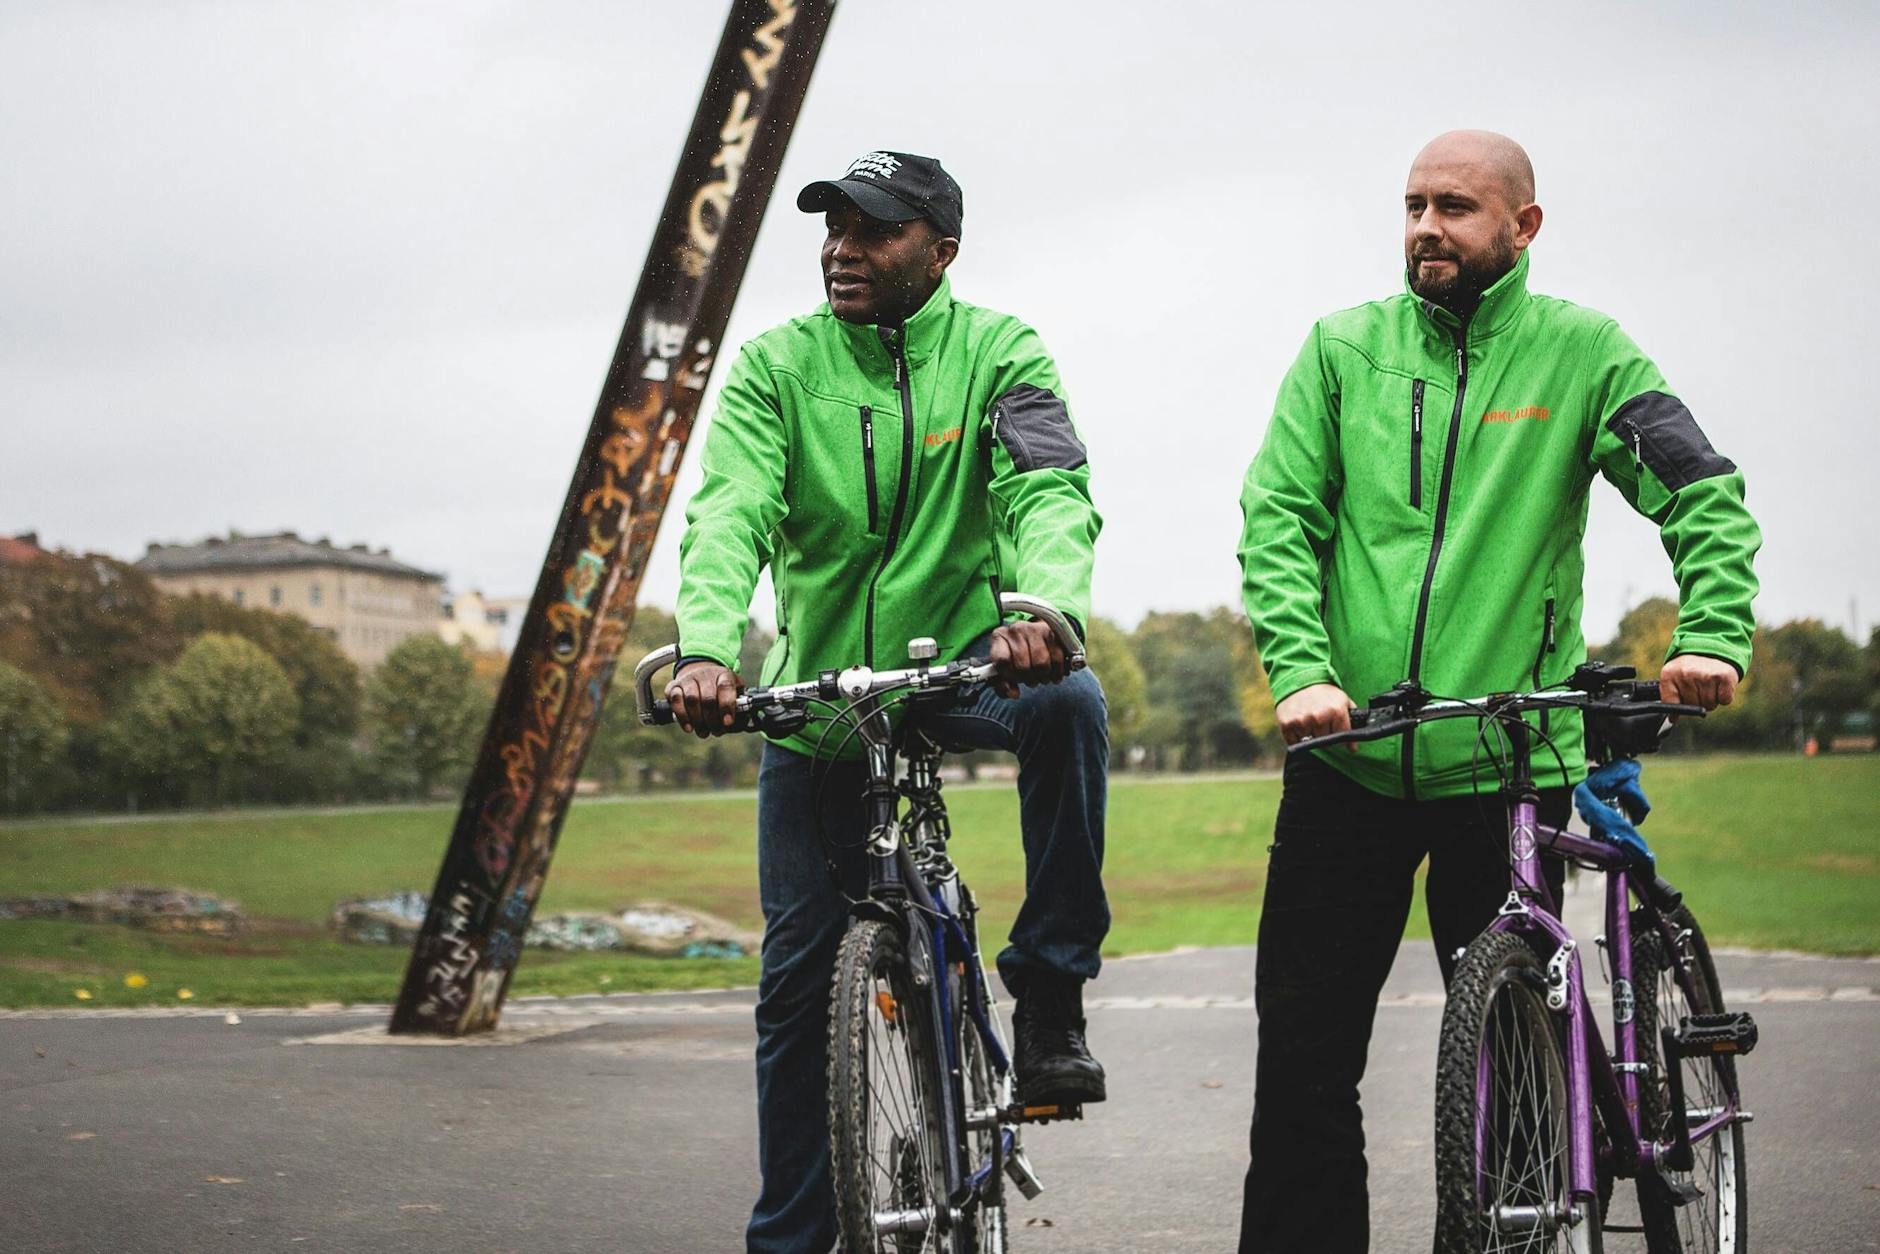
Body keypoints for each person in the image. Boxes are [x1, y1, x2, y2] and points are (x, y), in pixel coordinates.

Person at [1234, 130, 1761, 1252]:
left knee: (1516, 1072)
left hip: (1509, 764)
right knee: (1302, 1067)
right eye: (1413, 204)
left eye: (1456, 207)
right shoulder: (1340, 349)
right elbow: (1278, 520)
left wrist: (1710, 634)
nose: (1426, 225)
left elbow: (1698, 490)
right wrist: (1303, 672)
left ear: (1520, 227)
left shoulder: (1582, 353)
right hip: (1349, 753)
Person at [666, 149, 1110, 1253]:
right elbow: (730, 515)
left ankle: (1049, 994)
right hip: (821, 705)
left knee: (1071, 706)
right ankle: (791, 1240)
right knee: (794, 992)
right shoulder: (777, 366)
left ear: (939, 251)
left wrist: (1042, 611)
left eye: (872, 231)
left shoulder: (998, 350)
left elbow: (1047, 487)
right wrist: (707, 651)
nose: (840, 250)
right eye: (832, 228)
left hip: (962, 665)